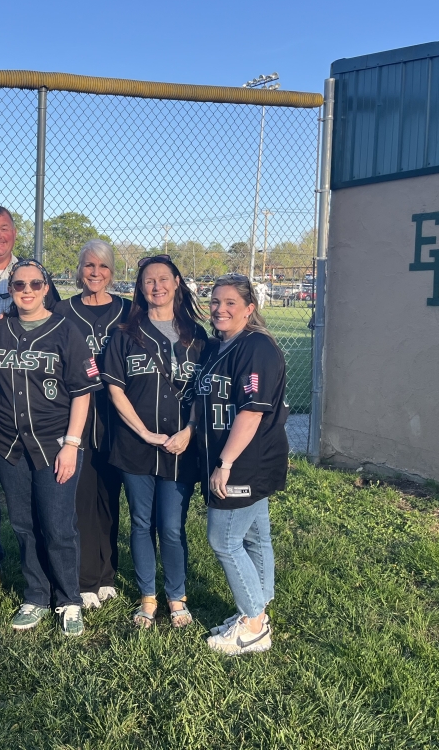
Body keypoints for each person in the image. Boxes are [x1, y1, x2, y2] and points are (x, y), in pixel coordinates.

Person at [0, 259, 102, 636]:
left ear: (46, 288)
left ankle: (69, 599)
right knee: (24, 524)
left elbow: (83, 393)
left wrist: (72, 444)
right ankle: (36, 595)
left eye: (35, 284)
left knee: (57, 525)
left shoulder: (66, 330)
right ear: (10, 290)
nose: (26, 290)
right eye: (19, 284)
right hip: (10, 444)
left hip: (56, 443)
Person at [102, 254, 209, 629]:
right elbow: (115, 388)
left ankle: (177, 597)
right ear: (140, 287)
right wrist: (144, 433)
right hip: (136, 446)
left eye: (164, 279)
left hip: (182, 447)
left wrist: (190, 431)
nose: (157, 286)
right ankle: (148, 597)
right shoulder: (125, 333)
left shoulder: (197, 337)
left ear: (177, 282)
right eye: (149, 280)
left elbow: (204, 394)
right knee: (142, 522)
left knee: (173, 526)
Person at [0, 205, 61, 590]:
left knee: (32, 488)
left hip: (21, 391)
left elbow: (50, 320)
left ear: (15, 233)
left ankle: (42, 561)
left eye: (4, 229)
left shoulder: (31, 273)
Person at [195, 273, 289, 655]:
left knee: (224, 539)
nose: (220, 309)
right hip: (243, 458)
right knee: (254, 536)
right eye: (216, 301)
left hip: (246, 461)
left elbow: (250, 412)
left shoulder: (256, 348)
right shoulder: (224, 344)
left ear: (250, 308)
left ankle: (252, 625)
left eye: (231, 303)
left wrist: (225, 462)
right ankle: (258, 614)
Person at [53, 240, 130, 610]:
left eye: (102, 267)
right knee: (81, 498)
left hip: (119, 416)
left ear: (112, 273)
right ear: (78, 270)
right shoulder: (63, 310)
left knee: (109, 496)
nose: (95, 273)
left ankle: (107, 574)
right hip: (77, 414)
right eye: (88, 266)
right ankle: (85, 579)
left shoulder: (129, 312)